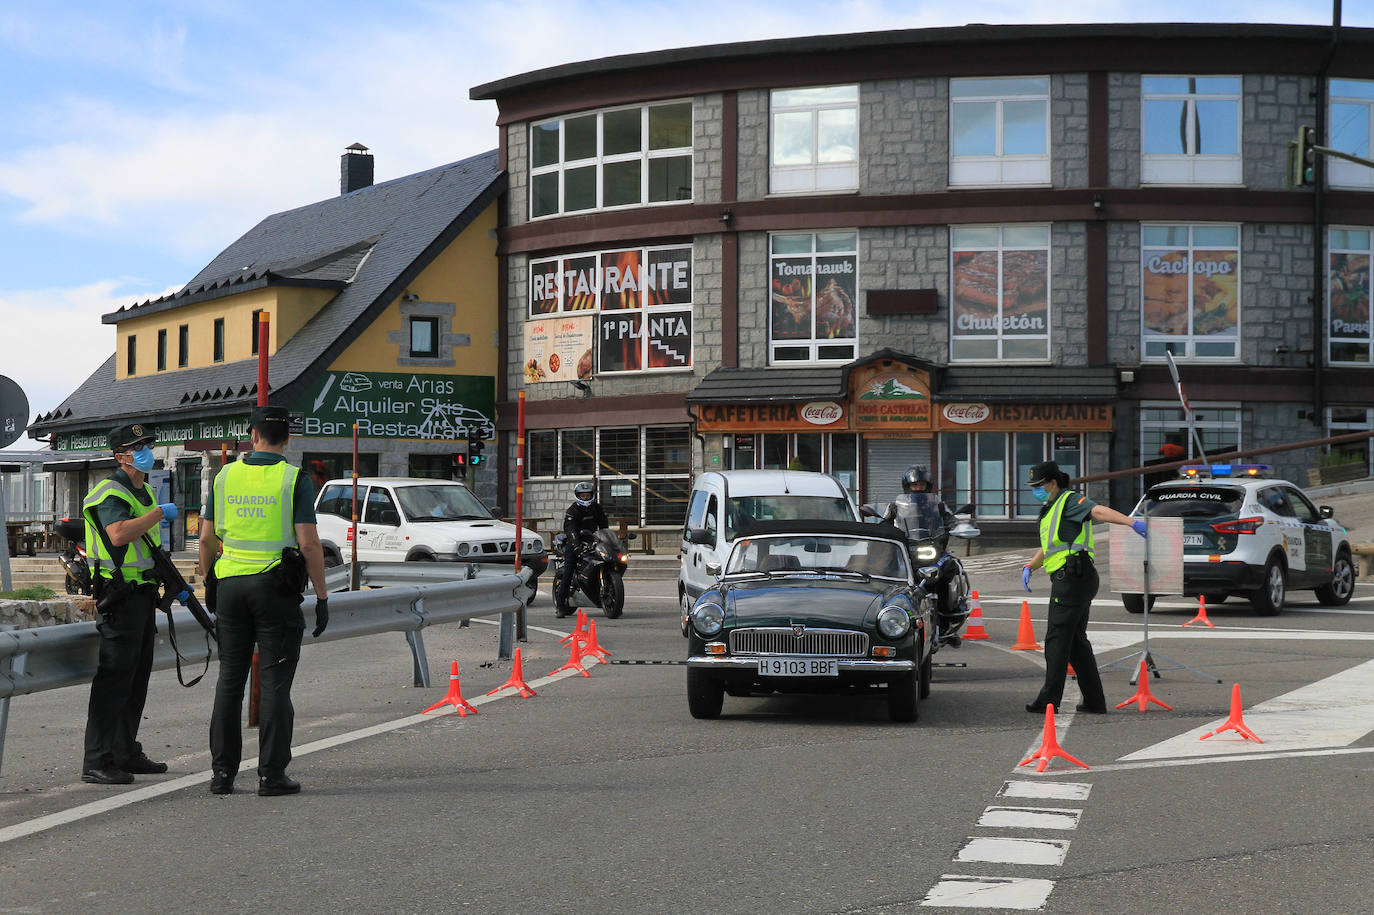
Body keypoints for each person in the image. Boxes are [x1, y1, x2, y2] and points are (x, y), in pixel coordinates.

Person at [197, 406, 329, 796]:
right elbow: (308, 542)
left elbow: (205, 539)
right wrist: (322, 596)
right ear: (287, 440)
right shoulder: (293, 479)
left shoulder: (225, 475)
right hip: (274, 589)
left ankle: (222, 775)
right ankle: (271, 776)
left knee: (229, 681)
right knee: (274, 684)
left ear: (252, 436)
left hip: (231, 587)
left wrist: (209, 581)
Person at [80, 422, 181, 785]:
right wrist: (157, 515)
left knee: (136, 678)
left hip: (141, 596)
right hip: (118, 597)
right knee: (114, 679)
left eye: (149, 443)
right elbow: (118, 534)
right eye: (138, 446)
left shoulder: (144, 492)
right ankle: (97, 759)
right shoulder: (111, 492)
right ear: (121, 455)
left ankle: (124, 751)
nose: (146, 450)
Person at [1020, 460, 1147, 715]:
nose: (1036, 490)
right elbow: (1050, 546)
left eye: (1039, 486)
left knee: (1056, 640)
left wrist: (1130, 522)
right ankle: (1094, 701)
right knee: (1076, 642)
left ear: (1053, 483)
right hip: (1075, 578)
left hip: (1072, 578)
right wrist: (1030, 566)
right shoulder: (1051, 509)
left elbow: (1098, 511)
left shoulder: (1069, 501)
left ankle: (1048, 701)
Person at [555, 480, 607, 618]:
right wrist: (576, 546)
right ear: (578, 496)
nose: (585, 498)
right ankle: (560, 606)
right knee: (568, 571)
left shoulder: (596, 508)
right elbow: (570, 530)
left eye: (587, 495)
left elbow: (604, 527)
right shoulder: (572, 511)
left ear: (592, 495)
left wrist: (608, 539)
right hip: (574, 541)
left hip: (592, 539)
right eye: (582, 496)